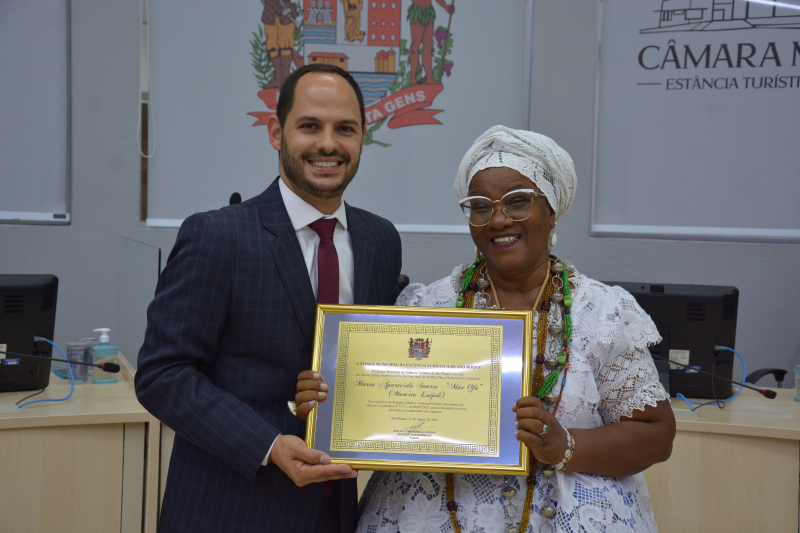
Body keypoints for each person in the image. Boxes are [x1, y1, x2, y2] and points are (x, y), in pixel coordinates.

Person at [295, 126, 676, 532]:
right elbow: (385, 413)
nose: (497, 219)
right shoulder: (429, 306)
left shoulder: (601, 313)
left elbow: (656, 433)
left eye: (517, 202)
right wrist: (329, 404)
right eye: (479, 206)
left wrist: (564, 445)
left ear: (551, 211)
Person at [135, 64, 402, 533]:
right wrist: (268, 444)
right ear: (277, 133)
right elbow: (162, 374)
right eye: (309, 126)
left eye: (345, 129)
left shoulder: (381, 240)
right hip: (228, 512)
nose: (328, 144)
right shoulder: (217, 236)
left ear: (363, 137)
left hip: (335, 512)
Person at [408, 0, 455, 85]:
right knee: (415, 46)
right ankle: (413, 79)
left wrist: (446, 7)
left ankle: (429, 78)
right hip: (418, 11)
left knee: (428, 46)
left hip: (428, 12)